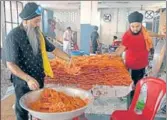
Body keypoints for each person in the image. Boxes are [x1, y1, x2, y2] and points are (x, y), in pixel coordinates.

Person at [3, 2, 70, 120]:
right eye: (36, 21)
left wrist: (69, 59)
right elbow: (11, 64)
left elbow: (54, 49)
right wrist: (28, 79)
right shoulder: (14, 36)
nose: (38, 24)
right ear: (26, 20)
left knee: (39, 106)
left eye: (39, 20)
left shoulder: (38, 34)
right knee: (22, 108)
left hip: (38, 77)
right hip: (23, 80)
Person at [110, 11, 165, 101]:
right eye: (133, 26)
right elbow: (120, 50)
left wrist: (160, 35)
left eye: (137, 26)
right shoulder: (127, 36)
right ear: (130, 25)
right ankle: (131, 102)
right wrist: (111, 56)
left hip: (142, 64)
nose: (135, 29)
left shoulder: (143, 31)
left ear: (141, 25)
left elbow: (150, 33)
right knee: (132, 85)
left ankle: (135, 98)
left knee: (139, 83)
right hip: (132, 65)